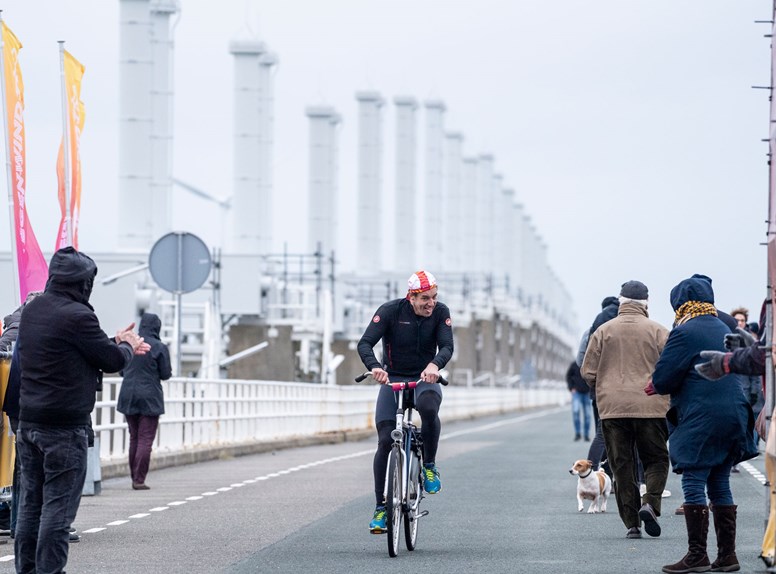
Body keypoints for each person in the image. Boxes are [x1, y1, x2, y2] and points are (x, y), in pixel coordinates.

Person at [14, 247, 149, 574]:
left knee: (30, 506)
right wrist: (127, 344)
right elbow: (113, 360)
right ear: (83, 282)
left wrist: (112, 340)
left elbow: (74, 346)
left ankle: (27, 570)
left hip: (29, 422)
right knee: (57, 513)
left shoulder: (34, 309)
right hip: (63, 428)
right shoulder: (78, 316)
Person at [647, 274, 757, 574]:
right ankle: (727, 556)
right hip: (733, 411)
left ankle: (697, 555)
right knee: (720, 481)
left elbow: (664, 377)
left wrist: (655, 385)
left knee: (693, 478)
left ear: (680, 303)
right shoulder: (723, 325)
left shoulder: (684, 332)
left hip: (701, 414)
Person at [357, 270, 454, 534]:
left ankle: (430, 466)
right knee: (386, 440)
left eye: (434, 297)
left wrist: (435, 365)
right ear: (410, 297)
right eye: (424, 298)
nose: (431, 303)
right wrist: (375, 367)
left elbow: (447, 346)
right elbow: (365, 343)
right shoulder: (390, 312)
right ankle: (380, 508)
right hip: (394, 379)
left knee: (429, 408)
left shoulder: (440, 312)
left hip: (425, 377)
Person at [581, 280, 670, 540]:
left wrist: (605, 386)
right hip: (651, 407)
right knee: (656, 459)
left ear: (620, 302)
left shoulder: (603, 331)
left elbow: (587, 371)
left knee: (622, 465)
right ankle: (650, 503)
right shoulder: (658, 331)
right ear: (646, 303)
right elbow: (670, 368)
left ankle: (632, 525)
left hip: (612, 409)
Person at [117, 312, 172, 490]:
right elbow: (165, 374)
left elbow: (121, 369)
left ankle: (134, 476)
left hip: (128, 394)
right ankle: (139, 480)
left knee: (134, 437)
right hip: (150, 397)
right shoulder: (159, 347)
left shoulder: (132, 344)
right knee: (145, 439)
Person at [565, 360, 591, 441]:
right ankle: (578, 433)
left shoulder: (590, 363)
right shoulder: (574, 364)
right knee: (576, 412)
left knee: (587, 415)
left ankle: (586, 435)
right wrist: (571, 388)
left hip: (587, 393)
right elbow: (568, 376)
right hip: (576, 393)